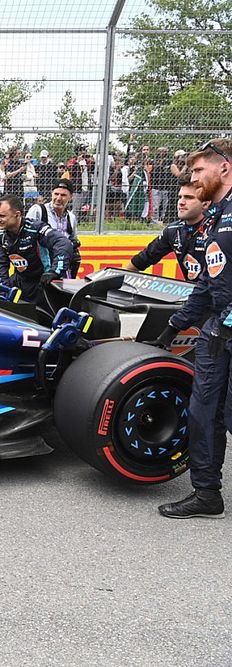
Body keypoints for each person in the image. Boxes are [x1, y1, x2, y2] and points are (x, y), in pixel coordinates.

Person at [151, 139, 232, 519]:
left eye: (199, 170)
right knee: (203, 412)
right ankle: (206, 493)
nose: (194, 177)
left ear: (224, 168)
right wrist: (174, 325)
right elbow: (206, 284)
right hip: (217, 332)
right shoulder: (214, 218)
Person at [123, 176, 210, 282]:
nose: (181, 202)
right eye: (180, 197)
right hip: (195, 290)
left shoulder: (218, 229)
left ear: (205, 203)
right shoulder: (173, 230)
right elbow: (144, 258)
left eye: (189, 197)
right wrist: (118, 278)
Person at [0, 194, 72, 305]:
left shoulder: (36, 228)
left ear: (17, 215)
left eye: (2, 216)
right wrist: (4, 287)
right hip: (21, 280)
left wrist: (55, 271)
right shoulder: (0, 235)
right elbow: (0, 263)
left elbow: (64, 243)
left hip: (45, 280)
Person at [27, 179, 81, 278]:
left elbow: (73, 241)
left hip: (60, 267)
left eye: (63, 195)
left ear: (71, 197)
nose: (58, 198)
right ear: (52, 193)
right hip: (38, 269)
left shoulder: (71, 217)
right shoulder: (38, 211)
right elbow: (26, 238)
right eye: (56, 194)